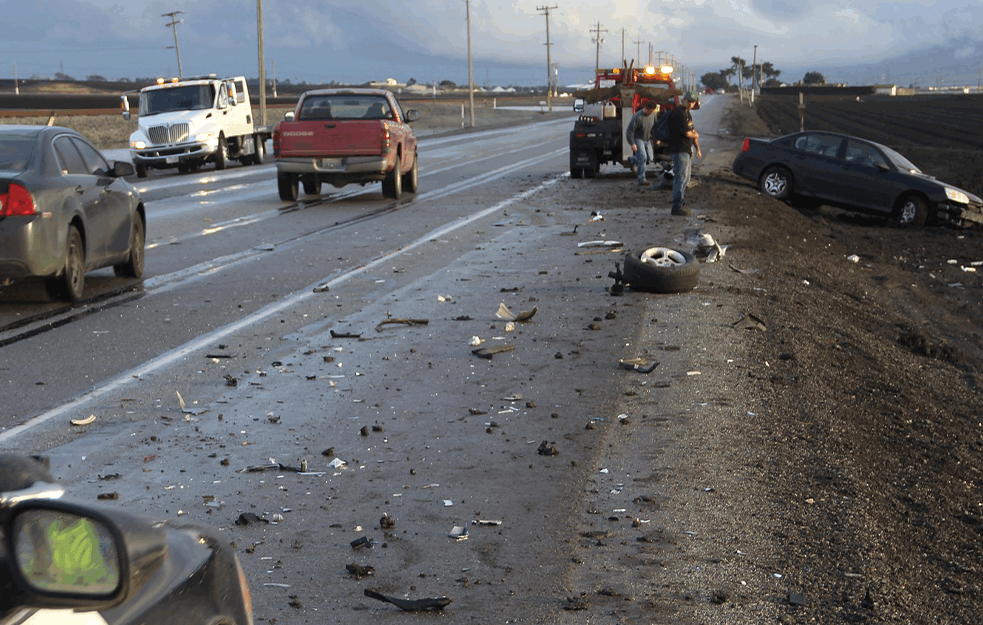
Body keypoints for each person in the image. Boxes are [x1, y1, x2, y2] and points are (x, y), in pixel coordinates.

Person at [666, 90, 702, 216]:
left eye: (693, 102)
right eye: (689, 101)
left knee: (685, 178)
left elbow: (692, 131)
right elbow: (688, 133)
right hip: (679, 149)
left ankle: (680, 203)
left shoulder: (687, 114)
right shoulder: (679, 113)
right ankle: (677, 206)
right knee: (680, 178)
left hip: (685, 150)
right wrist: (695, 134)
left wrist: (698, 148)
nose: (691, 104)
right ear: (684, 100)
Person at [625, 100, 659, 185]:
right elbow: (629, 131)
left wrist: (657, 137)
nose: (651, 113)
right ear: (646, 109)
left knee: (650, 157)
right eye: (651, 111)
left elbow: (655, 127)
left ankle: (632, 160)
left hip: (647, 139)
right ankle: (641, 179)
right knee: (643, 157)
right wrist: (632, 143)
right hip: (638, 139)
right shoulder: (637, 117)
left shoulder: (653, 116)